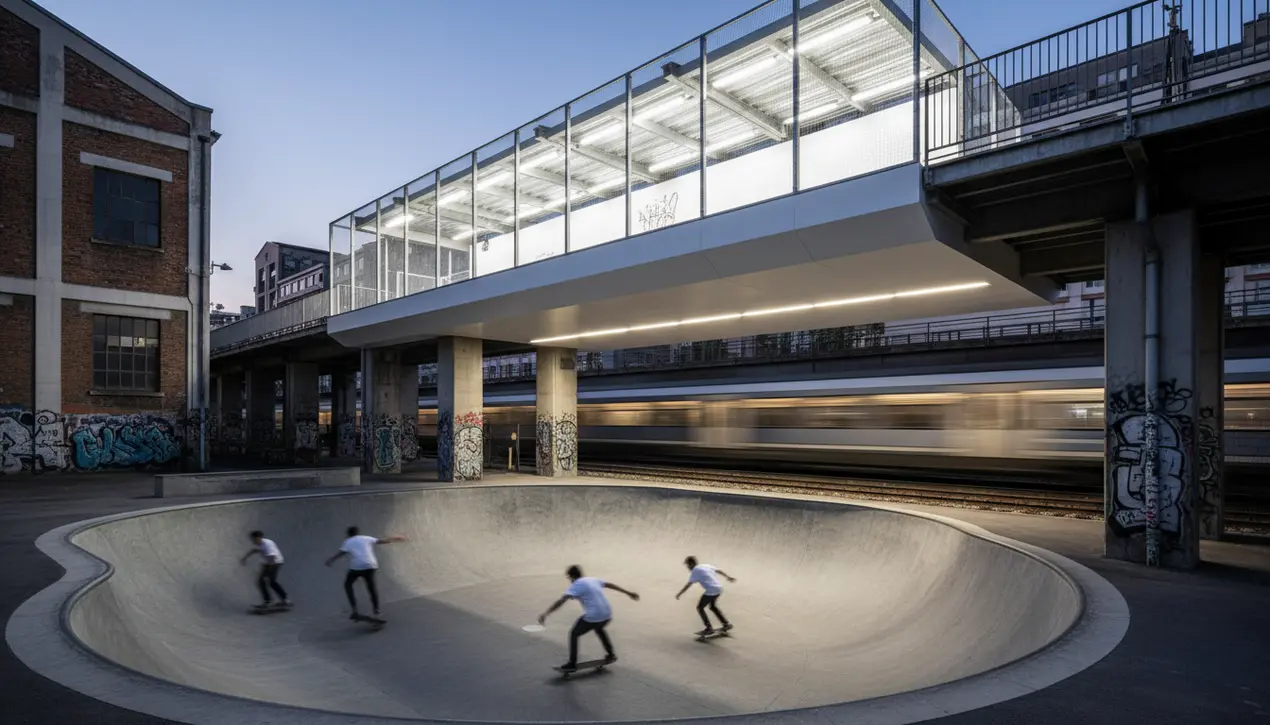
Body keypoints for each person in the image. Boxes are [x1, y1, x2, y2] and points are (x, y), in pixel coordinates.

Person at [538, 565, 640, 672]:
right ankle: (610, 654)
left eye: (569, 578)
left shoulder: (576, 585)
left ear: (571, 577)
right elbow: (610, 585)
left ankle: (572, 663)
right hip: (607, 614)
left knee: (574, 633)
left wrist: (546, 613)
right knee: (599, 628)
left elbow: (561, 601)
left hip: (594, 615)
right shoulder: (592, 579)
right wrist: (628, 593)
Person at [324, 526, 407, 619]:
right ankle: (377, 611)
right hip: (370, 566)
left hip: (356, 568)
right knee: (371, 588)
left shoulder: (348, 542)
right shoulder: (366, 538)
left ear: (348, 534)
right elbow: (381, 541)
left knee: (348, 585)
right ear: (357, 533)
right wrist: (396, 538)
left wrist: (331, 560)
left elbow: (341, 553)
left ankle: (354, 609)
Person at [675, 556, 736, 635]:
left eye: (688, 565)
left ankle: (709, 628)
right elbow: (718, 570)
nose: (688, 567)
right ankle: (726, 624)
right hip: (719, 588)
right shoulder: (705, 566)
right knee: (712, 606)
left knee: (700, 607)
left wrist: (679, 593)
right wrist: (728, 577)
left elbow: (688, 584)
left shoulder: (695, 571)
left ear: (692, 564)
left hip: (711, 590)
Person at [240, 530, 291, 610]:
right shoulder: (260, 543)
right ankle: (279, 600)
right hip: (270, 562)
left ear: (258, 538)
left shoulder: (267, 545)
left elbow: (272, 558)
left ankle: (278, 601)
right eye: (252, 539)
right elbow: (254, 550)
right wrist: (245, 558)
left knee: (269, 581)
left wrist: (267, 571)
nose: (252, 541)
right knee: (266, 582)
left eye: (253, 539)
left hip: (275, 562)